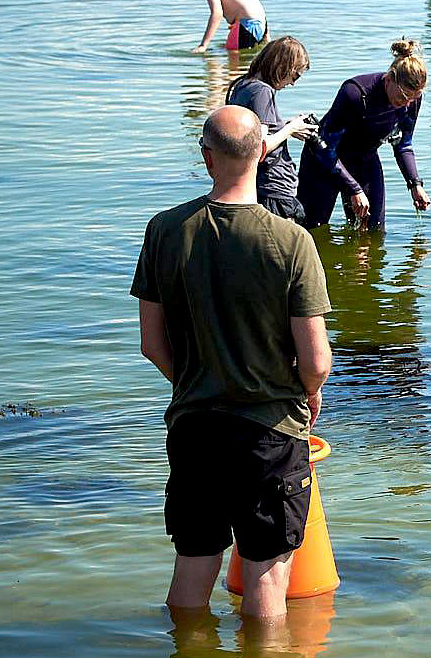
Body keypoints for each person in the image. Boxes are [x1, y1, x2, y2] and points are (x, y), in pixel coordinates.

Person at [131, 105, 333, 618]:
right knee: (267, 578)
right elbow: (316, 358)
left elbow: (152, 344)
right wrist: (308, 391)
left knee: (192, 566)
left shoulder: (164, 230)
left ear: (207, 157)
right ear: (264, 151)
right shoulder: (292, 241)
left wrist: (202, 382)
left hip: (195, 427)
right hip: (268, 432)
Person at [297, 39, 430, 230]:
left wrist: (414, 184)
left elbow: (403, 144)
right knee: (314, 229)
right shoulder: (355, 93)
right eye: (402, 96)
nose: (406, 103)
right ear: (389, 79)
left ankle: (362, 259)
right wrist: (354, 188)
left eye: (413, 98)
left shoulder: (411, 100)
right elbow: (327, 147)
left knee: (373, 230)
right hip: (324, 161)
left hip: (364, 159)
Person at [225, 36, 320, 222]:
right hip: (273, 190)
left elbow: (248, 136)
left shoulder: (242, 85)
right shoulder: (262, 91)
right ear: (283, 67)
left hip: (256, 185)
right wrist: (291, 128)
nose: (293, 83)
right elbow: (259, 147)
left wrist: (285, 126)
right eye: (295, 76)